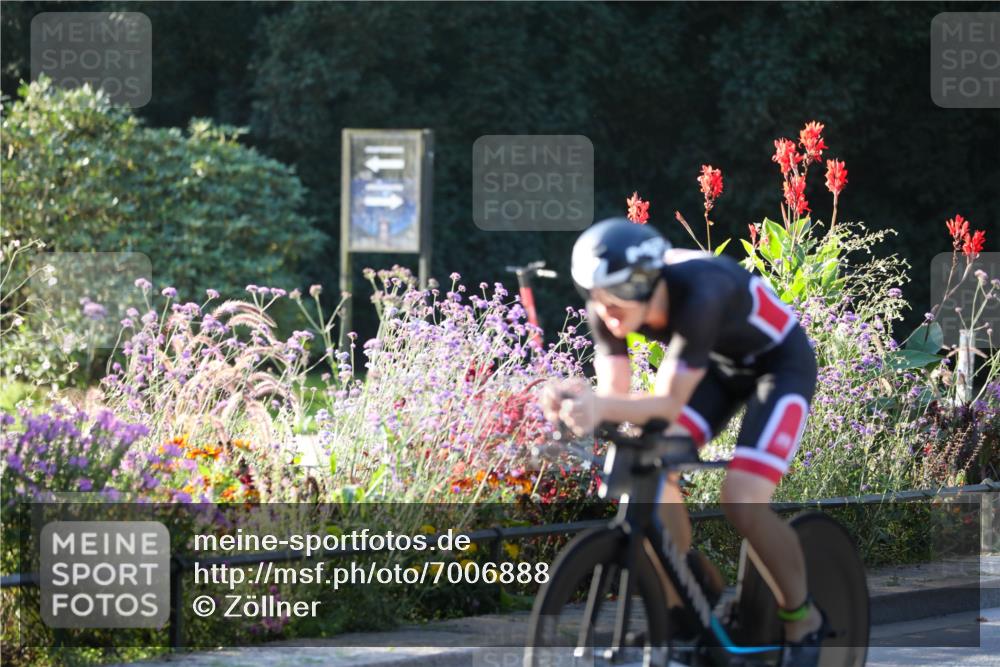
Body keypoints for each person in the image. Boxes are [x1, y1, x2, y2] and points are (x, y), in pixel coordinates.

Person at [540, 217, 828, 666]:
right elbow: (615, 395)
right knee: (644, 456)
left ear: (646, 285)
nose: (607, 314)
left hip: (777, 366)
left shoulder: (701, 292)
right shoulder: (606, 302)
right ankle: (687, 589)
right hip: (714, 366)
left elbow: (670, 402)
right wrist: (581, 404)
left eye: (616, 303)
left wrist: (600, 406)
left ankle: (802, 618)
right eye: (596, 300)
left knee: (742, 498)